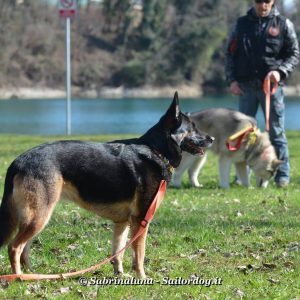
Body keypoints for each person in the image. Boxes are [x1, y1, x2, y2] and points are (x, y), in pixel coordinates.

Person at [225, 0, 299, 188]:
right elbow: (230, 54)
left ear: (272, 2)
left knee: (276, 132)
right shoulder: (241, 24)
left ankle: (282, 175)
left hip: (272, 88)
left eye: (266, 1)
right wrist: (232, 80)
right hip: (245, 87)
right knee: (244, 134)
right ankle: (242, 177)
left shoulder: (283, 24)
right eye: (259, 1)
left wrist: (280, 71)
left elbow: (294, 54)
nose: (262, 5)